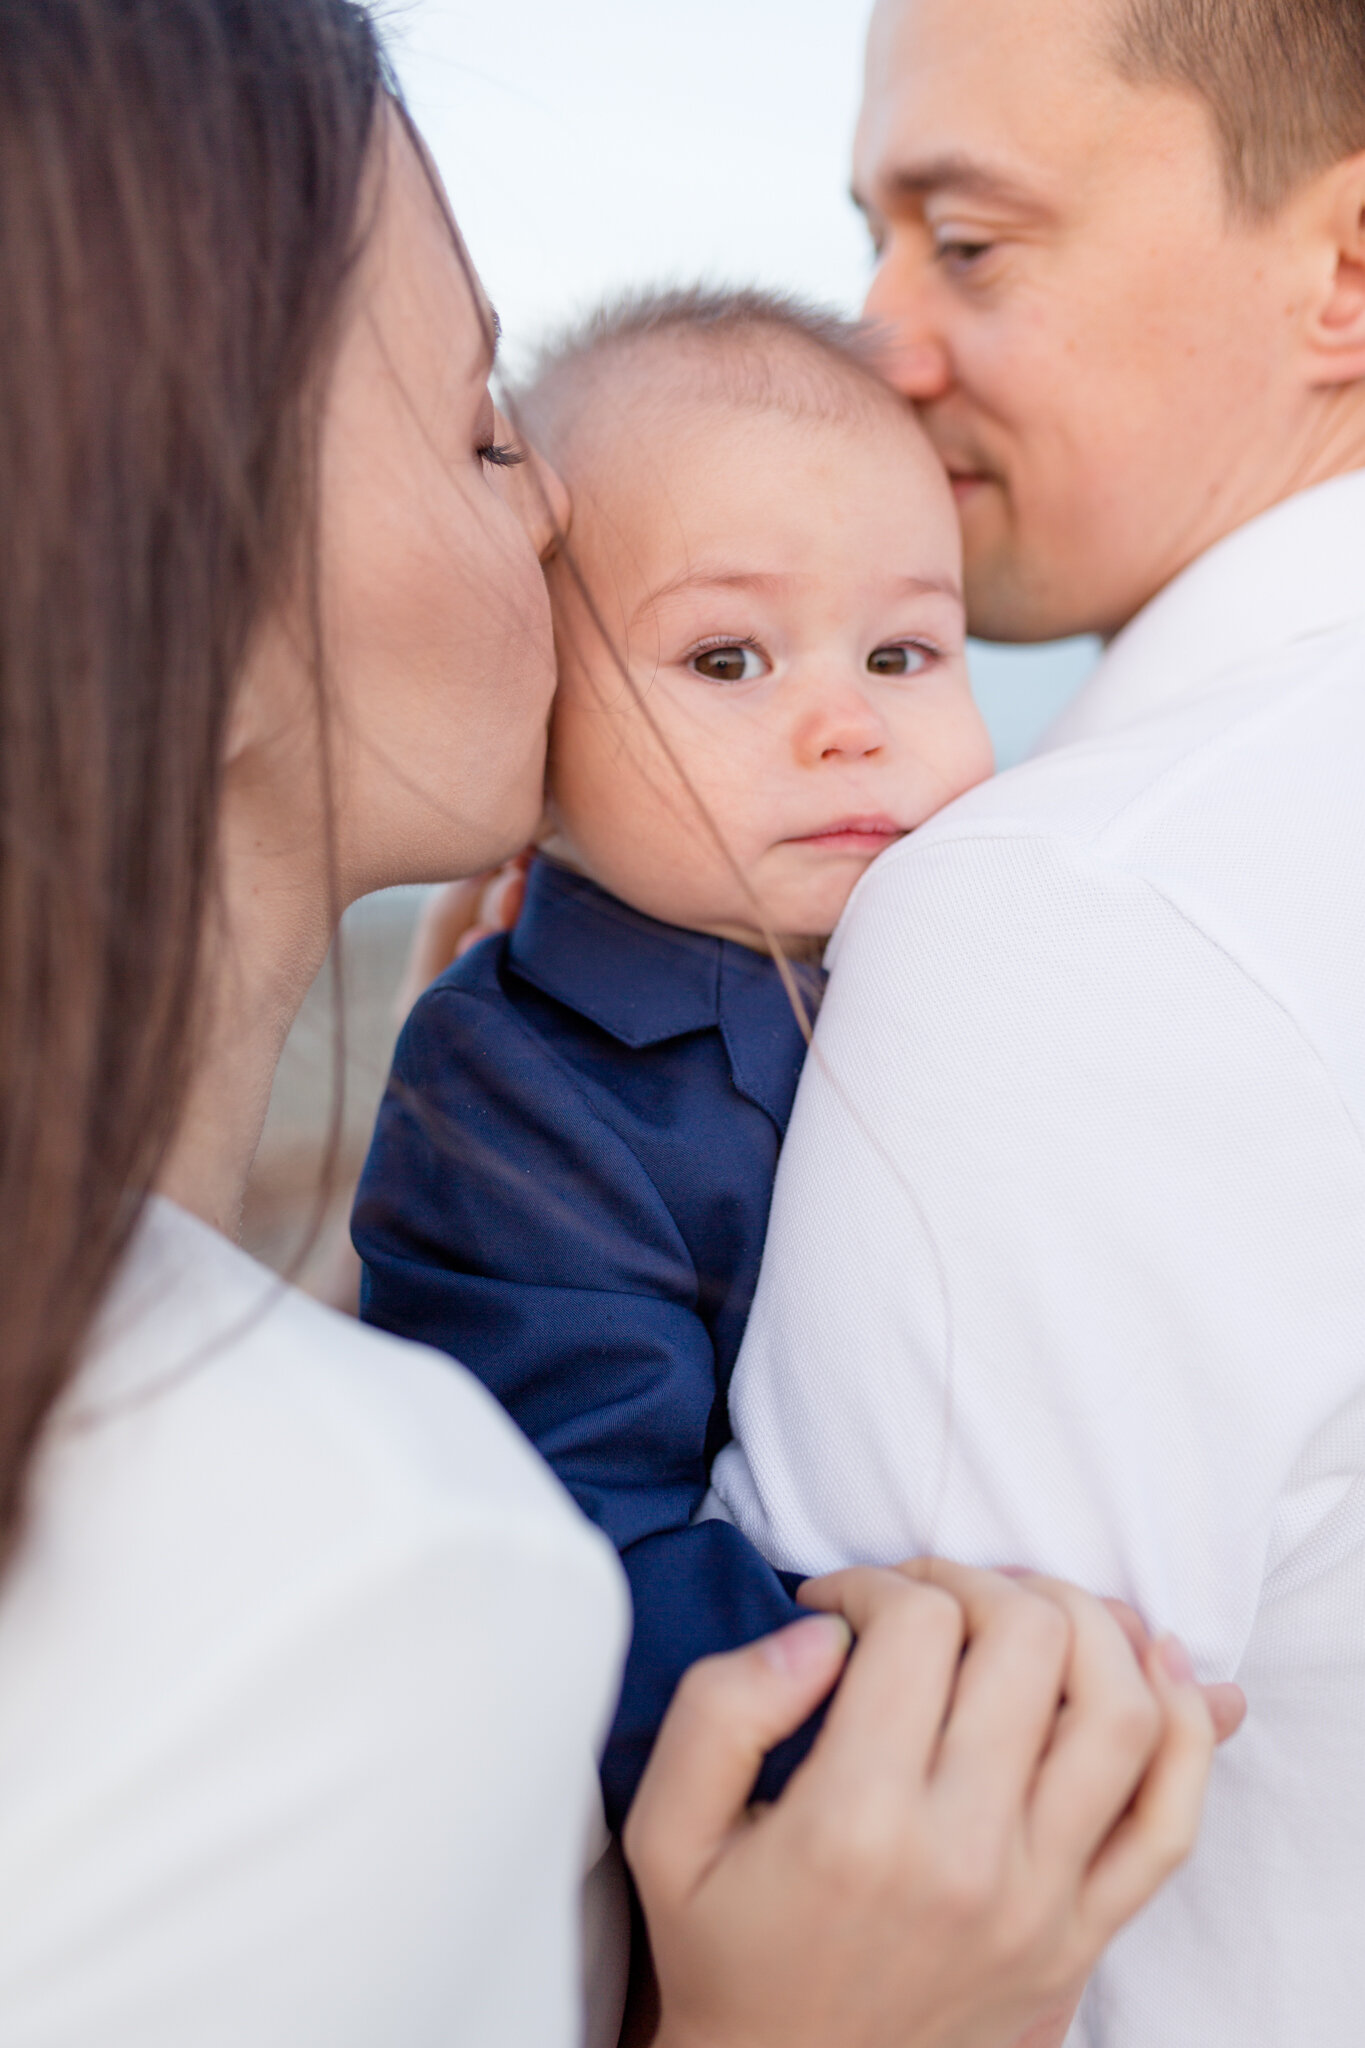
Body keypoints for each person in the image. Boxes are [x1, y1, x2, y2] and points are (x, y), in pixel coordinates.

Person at [0, 4, 1230, 2047]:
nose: (561, 518)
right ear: (182, 593)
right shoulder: (372, 1583)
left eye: (899, 645)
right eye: (487, 427)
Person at [711, 0, 1365, 2042]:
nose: (876, 338)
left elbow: (816, 1882)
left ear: (1341, 272)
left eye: (966, 241)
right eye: (873, 238)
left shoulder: (1068, 915)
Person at [352, 287, 994, 1828]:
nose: (846, 722)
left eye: (905, 653)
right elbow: (576, 1537)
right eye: (726, 660)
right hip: (733, 1826)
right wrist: (876, 1753)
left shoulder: (968, 952)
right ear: (536, 700)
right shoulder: (517, 1075)